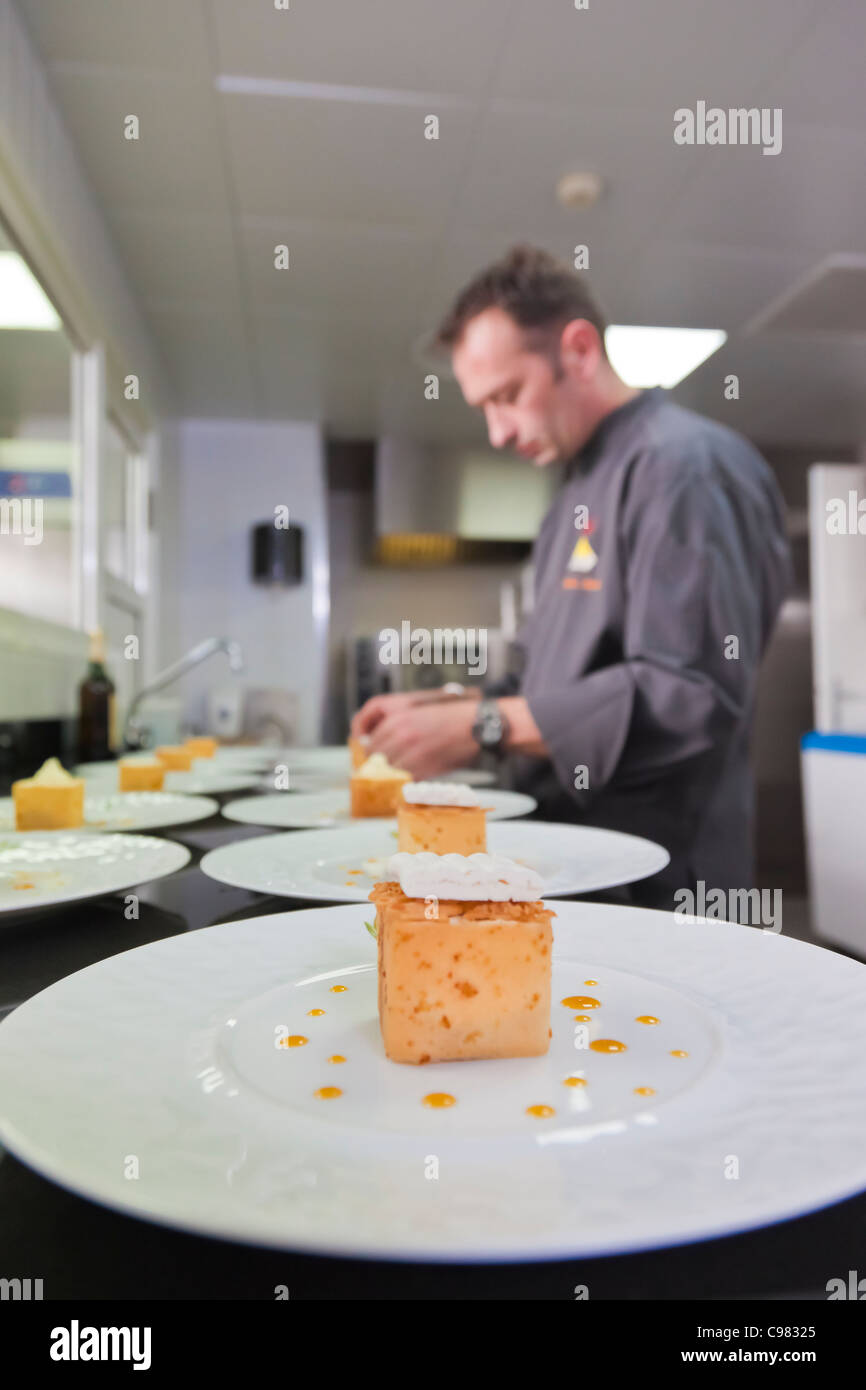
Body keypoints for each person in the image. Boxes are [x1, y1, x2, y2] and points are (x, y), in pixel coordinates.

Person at [351, 244, 793, 908]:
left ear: (579, 350)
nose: (498, 431)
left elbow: (690, 695)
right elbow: (542, 680)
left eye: (508, 395)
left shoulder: (683, 469)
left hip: (662, 884)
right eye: (484, 408)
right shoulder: (572, 498)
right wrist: (443, 709)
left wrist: (484, 726)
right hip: (576, 864)